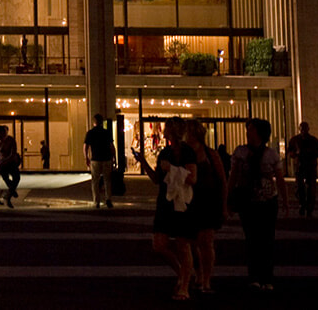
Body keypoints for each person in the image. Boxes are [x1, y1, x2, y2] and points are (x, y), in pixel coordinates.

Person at [132, 116, 197, 301]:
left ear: (174, 130)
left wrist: (172, 169)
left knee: (183, 245)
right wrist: (143, 162)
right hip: (165, 201)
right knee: (159, 245)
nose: (164, 130)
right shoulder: (164, 153)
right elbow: (156, 179)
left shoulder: (187, 152)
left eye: (167, 127)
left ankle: (184, 286)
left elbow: (193, 178)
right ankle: (183, 273)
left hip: (181, 202)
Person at [227, 118, 288, 291]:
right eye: (248, 129)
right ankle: (255, 276)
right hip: (248, 200)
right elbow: (233, 177)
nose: (248, 132)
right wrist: (229, 197)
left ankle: (266, 277)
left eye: (251, 129)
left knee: (267, 239)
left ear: (260, 133)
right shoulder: (240, 152)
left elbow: (280, 179)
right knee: (252, 239)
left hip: (268, 200)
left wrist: (285, 200)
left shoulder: (270, 154)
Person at [185, 120, 226, 293]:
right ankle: (199, 273)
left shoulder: (210, 154)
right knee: (192, 242)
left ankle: (206, 278)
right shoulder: (185, 155)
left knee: (206, 241)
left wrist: (224, 205)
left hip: (208, 201)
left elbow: (223, 181)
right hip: (190, 202)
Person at [286, 121, 318, 217]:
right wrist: (295, 154)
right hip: (300, 166)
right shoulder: (295, 140)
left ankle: (309, 208)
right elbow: (290, 151)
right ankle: (302, 205)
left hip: (310, 166)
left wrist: (310, 153)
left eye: (305, 128)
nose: (303, 131)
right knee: (300, 187)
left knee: (311, 188)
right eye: (302, 129)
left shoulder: (313, 141)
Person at [83, 113, 116, 209]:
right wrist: (114, 157)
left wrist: (86, 158)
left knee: (95, 181)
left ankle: (96, 201)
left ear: (94, 122)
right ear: (102, 122)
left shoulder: (90, 133)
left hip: (95, 159)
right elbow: (111, 146)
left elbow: (85, 147)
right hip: (106, 159)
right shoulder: (106, 133)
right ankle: (108, 199)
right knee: (107, 180)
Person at [0, 125, 21, 208]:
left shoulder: (11, 140)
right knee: (5, 177)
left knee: (16, 177)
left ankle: (9, 194)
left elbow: (13, 154)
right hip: (2, 165)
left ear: (4, 133)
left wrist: (4, 162)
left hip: (10, 163)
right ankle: (11, 191)